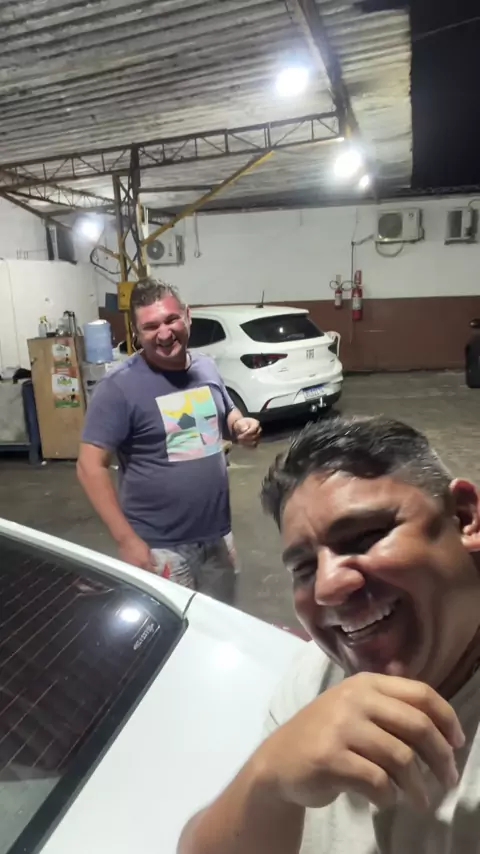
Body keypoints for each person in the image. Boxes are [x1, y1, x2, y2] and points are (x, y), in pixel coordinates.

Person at [178, 415, 480, 853]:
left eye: (364, 537)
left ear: (465, 517)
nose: (327, 587)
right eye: (304, 568)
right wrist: (268, 778)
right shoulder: (320, 676)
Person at [77, 278, 261, 603]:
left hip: (217, 536)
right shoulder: (119, 387)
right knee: (176, 630)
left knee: (220, 625)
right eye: (150, 326)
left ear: (187, 316)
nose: (164, 334)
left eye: (171, 320)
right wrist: (126, 540)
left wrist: (240, 424)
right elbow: (89, 467)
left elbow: (226, 413)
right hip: (160, 548)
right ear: (136, 333)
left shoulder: (205, 367)